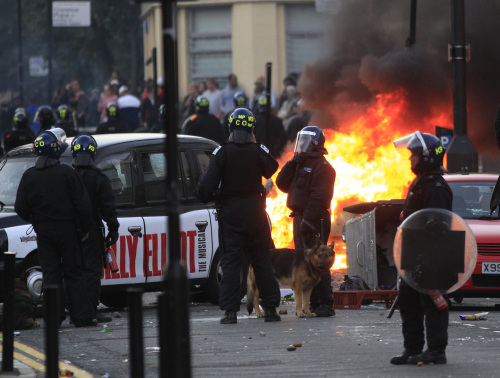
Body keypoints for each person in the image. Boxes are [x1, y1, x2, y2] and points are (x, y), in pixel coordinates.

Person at [196, 107, 281, 324]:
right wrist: (257, 144)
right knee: (262, 259)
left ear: (231, 127)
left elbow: (204, 188)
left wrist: (213, 193)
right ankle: (270, 309)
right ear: (252, 128)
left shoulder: (222, 152)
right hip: (255, 213)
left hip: (231, 214)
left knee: (231, 261)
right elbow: (272, 167)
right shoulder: (256, 150)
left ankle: (230, 312)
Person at [14, 128, 97, 327]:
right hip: (67, 230)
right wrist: (86, 227)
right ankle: (81, 317)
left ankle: (53, 317)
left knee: (50, 274)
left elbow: (20, 207)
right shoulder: (67, 173)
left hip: (44, 231)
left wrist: (36, 220)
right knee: (73, 272)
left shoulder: (29, 176)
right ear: (55, 152)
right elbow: (82, 204)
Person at [390, 131, 452, 366]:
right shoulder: (421, 182)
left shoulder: (436, 187)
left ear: (426, 157)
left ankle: (436, 351)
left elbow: (437, 225)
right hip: (414, 255)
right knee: (409, 303)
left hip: (431, 258)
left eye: (413, 155)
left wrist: (427, 259)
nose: (410, 160)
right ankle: (412, 349)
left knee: (433, 304)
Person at [276, 126, 336, 317]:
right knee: (305, 261)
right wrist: (292, 163)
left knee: (319, 260)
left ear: (315, 143)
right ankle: (313, 303)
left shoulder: (324, 168)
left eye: (305, 141)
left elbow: (319, 197)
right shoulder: (300, 163)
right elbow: (282, 184)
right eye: (300, 140)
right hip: (300, 217)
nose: (301, 144)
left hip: (314, 218)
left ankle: (326, 303)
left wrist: (308, 221)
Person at [71, 135, 120, 323]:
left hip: (71, 232)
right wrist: (113, 229)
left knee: (74, 271)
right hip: (92, 231)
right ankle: (90, 310)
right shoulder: (99, 179)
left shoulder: (68, 177)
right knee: (92, 272)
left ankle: (76, 311)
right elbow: (109, 208)